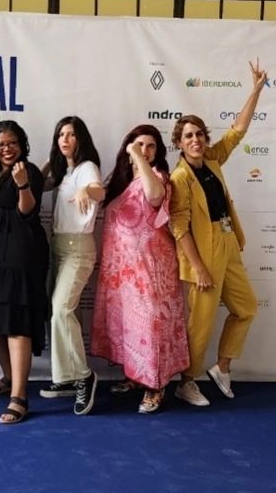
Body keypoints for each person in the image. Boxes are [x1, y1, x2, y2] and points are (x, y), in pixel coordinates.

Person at [170, 60, 267, 406]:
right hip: (203, 251)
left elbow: (237, 131)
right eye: (188, 136)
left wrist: (256, 90)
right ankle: (186, 382)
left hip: (227, 241)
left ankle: (222, 367)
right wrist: (198, 267)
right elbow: (178, 227)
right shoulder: (179, 178)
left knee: (247, 308)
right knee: (201, 323)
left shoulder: (212, 159)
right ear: (179, 143)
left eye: (199, 134)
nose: (196, 140)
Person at [90, 124, 189, 414]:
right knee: (129, 327)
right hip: (121, 272)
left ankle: (155, 386)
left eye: (150, 146)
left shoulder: (157, 176)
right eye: (139, 144)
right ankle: (135, 376)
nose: (145, 150)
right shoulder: (121, 181)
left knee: (150, 326)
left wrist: (137, 155)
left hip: (150, 269)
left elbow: (154, 196)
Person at [0, 121, 49, 424]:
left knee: (17, 323)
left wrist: (23, 185)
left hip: (21, 255)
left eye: (12, 143)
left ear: (21, 144)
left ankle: (19, 396)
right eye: (0, 144)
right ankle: (8, 376)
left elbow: (27, 211)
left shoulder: (29, 171)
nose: (6, 149)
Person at [40, 116, 105, 415]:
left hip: (78, 249)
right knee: (61, 313)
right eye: (60, 135)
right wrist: (51, 160)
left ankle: (84, 376)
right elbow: (38, 184)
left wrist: (86, 191)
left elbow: (99, 190)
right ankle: (66, 378)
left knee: (61, 310)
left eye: (71, 135)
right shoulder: (64, 172)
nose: (65, 139)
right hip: (58, 248)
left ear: (82, 139)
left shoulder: (87, 167)